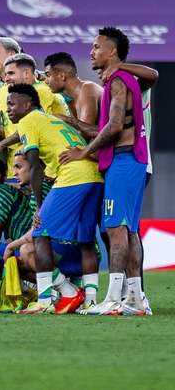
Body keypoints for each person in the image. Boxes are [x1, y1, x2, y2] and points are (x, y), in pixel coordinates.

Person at [58, 28, 148, 315]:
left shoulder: (119, 80)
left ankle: (112, 299)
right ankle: (134, 299)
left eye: (96, 47)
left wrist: (83, 152)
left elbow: (114, 126)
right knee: (129, 231)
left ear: (112, 52)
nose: (91, 52)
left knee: (114, 229)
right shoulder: (124, 78)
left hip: (123, 162)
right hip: (132, 161)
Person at [6, 83, 103, 314]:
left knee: (40, 234)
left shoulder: (28, 121)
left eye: (11, 103)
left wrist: (39, 206)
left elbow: (33, 166)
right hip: (96, 176)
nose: (8, 108)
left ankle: (45, 301)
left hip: (73, 177)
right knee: (86, 240)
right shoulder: (53, 119)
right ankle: (90, 301)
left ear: (27, 104)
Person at [0, 54, 69, 183]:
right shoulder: (5, 91)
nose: (6, 79)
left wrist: (0, 145)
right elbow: (7, 126)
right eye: (5, 74)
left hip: (46, 168)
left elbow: (33, 127)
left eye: (11, 73)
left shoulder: (41, 91)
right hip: (16, 166)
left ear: (27, 73)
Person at [43, 52, 103, 134]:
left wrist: (66, 119)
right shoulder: (75, 98)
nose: (46, 81)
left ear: (62, 76)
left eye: (48, 75)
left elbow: (85, 136)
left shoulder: (87, 89)